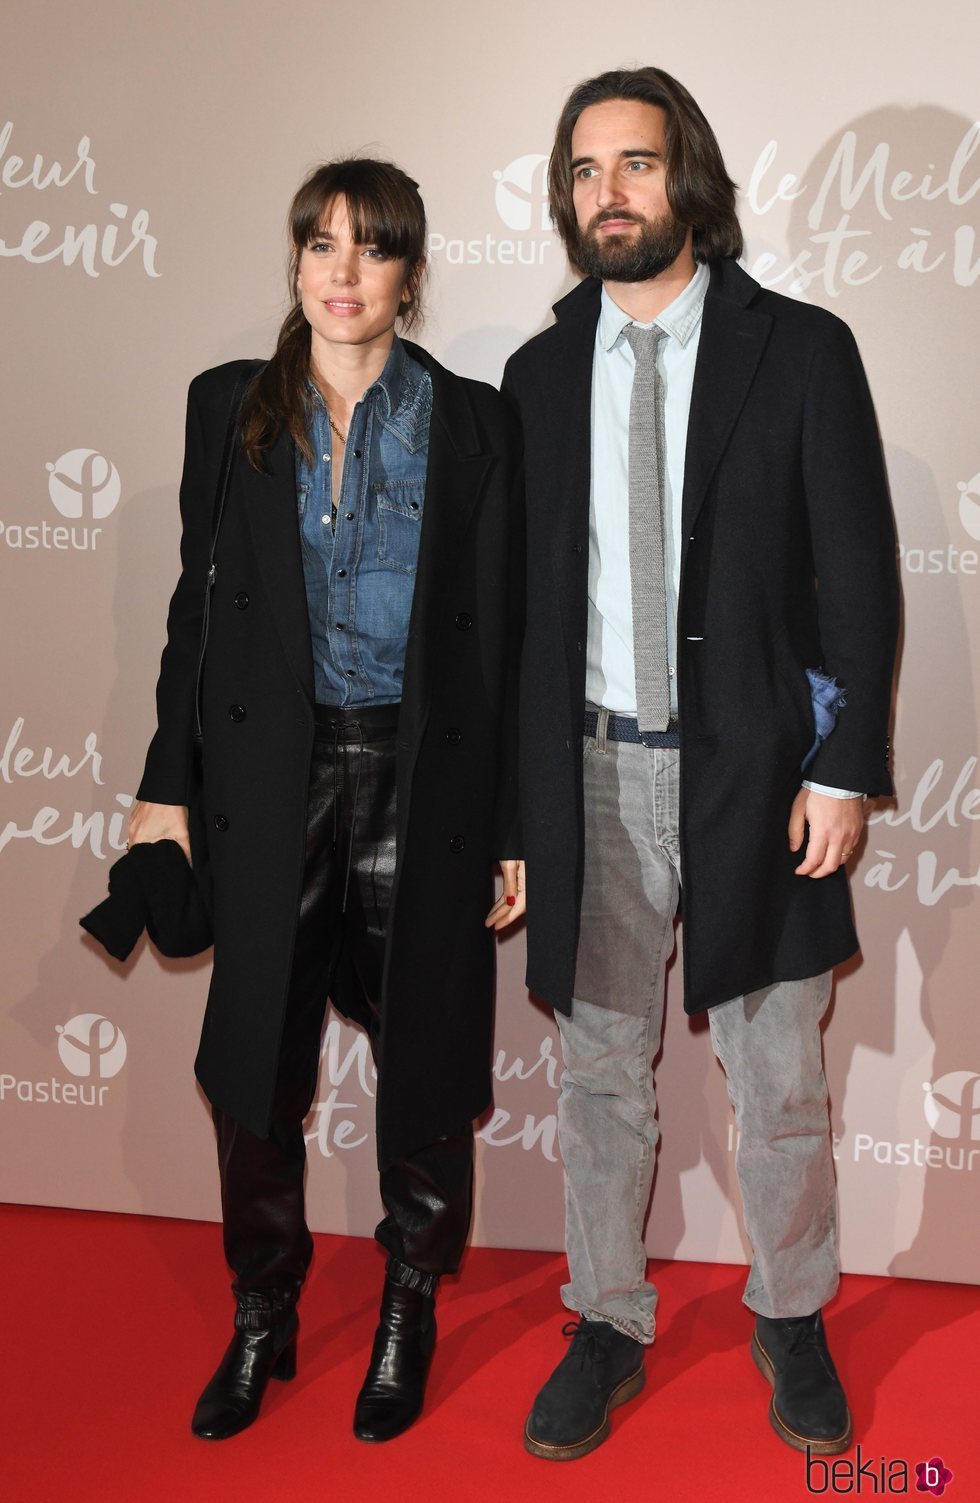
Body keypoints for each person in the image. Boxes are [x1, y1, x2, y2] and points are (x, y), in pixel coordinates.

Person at [502, 68, 898, 1462]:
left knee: (779, 1069)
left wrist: (843, 762)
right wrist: (515, 814)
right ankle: (605, 1317)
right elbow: (523, 612)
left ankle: (791, 1310)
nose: (609, 191)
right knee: (602, 1073)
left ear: (690, 179)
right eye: (585, 169)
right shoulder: (540, 374)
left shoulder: (799, 349)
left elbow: (856, 573)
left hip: (760, 777)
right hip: (595, 777)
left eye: (636, 164)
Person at [129, 157, 524, 1443]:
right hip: (266, 778)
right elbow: (195, 612)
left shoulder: (475, 425)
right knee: (255, 1062)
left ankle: (408, 1300)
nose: (341, 274)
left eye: (370, 250)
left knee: (422, 1049)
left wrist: (512, 825)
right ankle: (264, 1310)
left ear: (409, 274)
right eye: (319, 246)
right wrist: (161, 794)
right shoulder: (224, 410)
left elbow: (502, 641)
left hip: (422, 772)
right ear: (294, 262)